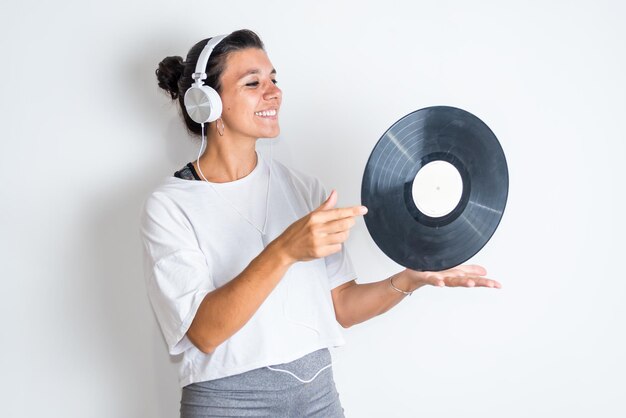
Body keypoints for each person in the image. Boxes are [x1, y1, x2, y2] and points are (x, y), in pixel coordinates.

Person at [141, 29, 501, 418]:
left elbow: (342, 306)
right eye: (253, 83)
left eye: (274, 79)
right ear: (207, 103)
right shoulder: (170, 205)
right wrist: (285, 250)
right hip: (230, 403)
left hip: (317, 398)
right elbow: (204, 332)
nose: (273, 92)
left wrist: (412, 278)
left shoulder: (302, 189)